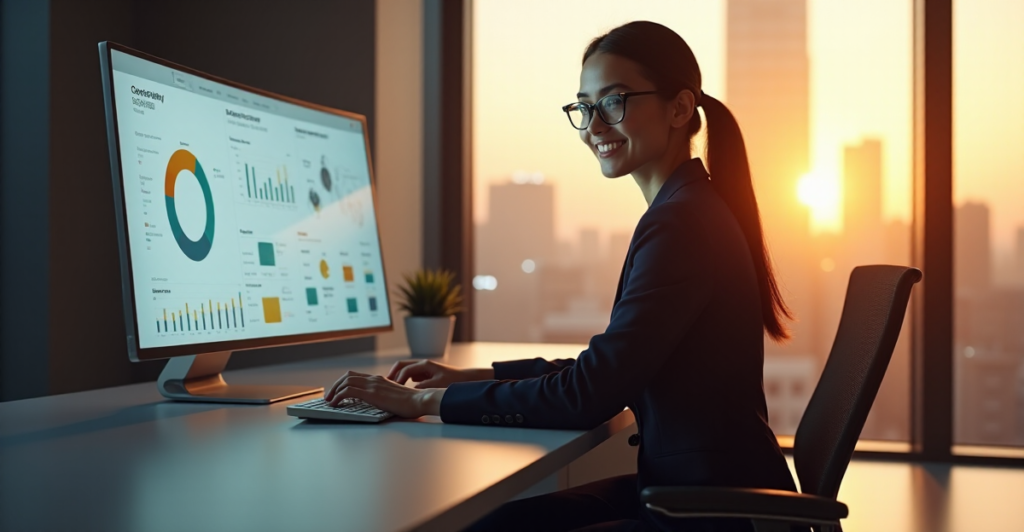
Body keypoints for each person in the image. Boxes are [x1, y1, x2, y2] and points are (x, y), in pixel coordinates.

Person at [324, 20, 798, 532]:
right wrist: (468, 378)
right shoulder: (688, 207)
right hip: (694, 491)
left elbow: (588, 393)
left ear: (680, 109)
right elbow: (607, 367)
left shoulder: (682, 222)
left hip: (711, 513)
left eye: (613, 102)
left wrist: (421, 401)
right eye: (584, 106)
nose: (594, 125)